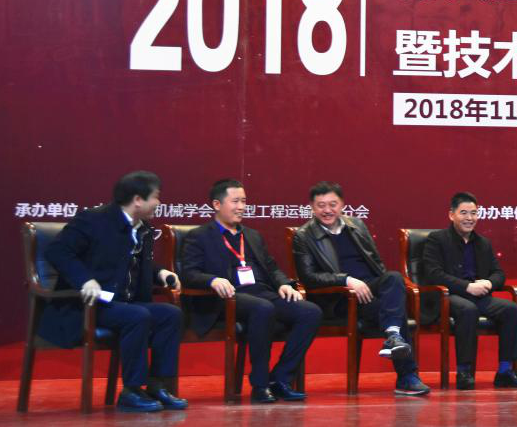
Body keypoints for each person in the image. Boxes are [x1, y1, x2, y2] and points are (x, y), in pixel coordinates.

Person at [40, 171, 186, 412]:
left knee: (171, 314)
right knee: (138, 315)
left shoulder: (143, 228)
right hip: (88, 304)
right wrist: (85, 280)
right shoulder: (93, 220)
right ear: (138, 199)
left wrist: (160, 272)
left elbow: (129, 262)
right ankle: (132, 391)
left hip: (124, 303)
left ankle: (158, 384)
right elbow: (57, 251)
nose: (158, 203)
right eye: (156, 197)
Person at [180, 179, 321, 404]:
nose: (241, 207)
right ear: (217, 204)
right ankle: (260, 385)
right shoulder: (199, 236)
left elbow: (271, 268)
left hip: (261, 293)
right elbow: (189, 273)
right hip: (227, 298)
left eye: (244, 201)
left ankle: (280, 378)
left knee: (310, 312)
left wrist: (284, 284)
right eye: (235, 201)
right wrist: (212, 280)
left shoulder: (252, 236)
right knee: (262, 308)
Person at [292, 181, 429, 396]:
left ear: (342, 205)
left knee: (393, 278)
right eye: (321, 205)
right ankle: (407, 376)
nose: (327, 210)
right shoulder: (303, 236)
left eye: (332, 204)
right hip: (340, 297)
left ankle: (393, 337)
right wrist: (346, 280)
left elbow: (376, 263)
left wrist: (380, 288)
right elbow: (309, 278)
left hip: (370, 289)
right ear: (312, 207)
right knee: (395, 312)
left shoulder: (356, 225)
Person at [422, 192, 517, 390]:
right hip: (449, 296)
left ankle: (505, 371)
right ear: (451, 215)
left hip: (479, 295)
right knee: (467, 309)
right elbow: (433, 274)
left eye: (473, 213)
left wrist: (488, 283)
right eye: (464, 213)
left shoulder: (483, 243)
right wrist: (467, 287)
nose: (469, 218)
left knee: (511, 310)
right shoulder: (437, 239)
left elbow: (499, 273)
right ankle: (465, 372)